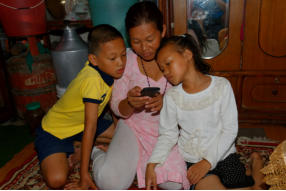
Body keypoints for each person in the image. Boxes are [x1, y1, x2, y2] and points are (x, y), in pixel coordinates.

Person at [145, 34, 266, 190]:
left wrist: (208, 161)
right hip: (193, 161)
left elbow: (229, 131)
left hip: (224, 155)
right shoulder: (171, 96)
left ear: (188, 54)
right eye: (162, 69)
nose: (166, 72)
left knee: (249, 186)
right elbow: (168, 134)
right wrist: (152, 162)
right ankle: (251, 169)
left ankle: (256, 164)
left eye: (168, 64)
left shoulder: (222, 86)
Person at [91, 1, 189, 190]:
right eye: (136, 41)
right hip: (133, 127)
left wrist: (168, 103)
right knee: (110, 184)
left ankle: (137, 165)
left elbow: (192, 97)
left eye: (149, 39)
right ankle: (97, 153)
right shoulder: (126, 61)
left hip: (166, 131)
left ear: (162, 30)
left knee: (176, 185)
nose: (144, 48)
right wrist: (130, 103)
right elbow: (118, 108)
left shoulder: (178, 56)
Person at [34, 24, 126, 189]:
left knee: (126, 137)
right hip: (55, 131)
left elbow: (111, 102)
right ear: (93, 60)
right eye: (113, 58)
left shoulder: (109, 70)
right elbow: (91, 126)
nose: (120, 63)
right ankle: (66, 152)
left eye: (123, 55)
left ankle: (79, 146)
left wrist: (119, 131)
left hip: (81, 127)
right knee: (57, 180)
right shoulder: (92, 80)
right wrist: (84, 175)